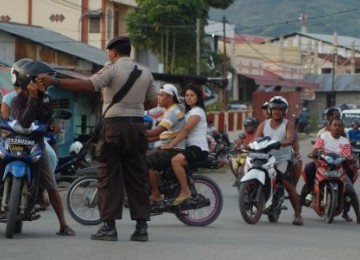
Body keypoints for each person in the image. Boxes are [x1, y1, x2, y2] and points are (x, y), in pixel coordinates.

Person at [37, 36, 158, 242]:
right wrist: (133, 109)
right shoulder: (145, 72)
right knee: (138, 177)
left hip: (114, 128)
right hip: (137, 128)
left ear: (113, 52)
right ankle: (141, 228)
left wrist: (55, 81)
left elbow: (88, 85)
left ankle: (109, 228)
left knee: (109, 177)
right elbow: (153, 101)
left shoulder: (110, 69)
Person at [11, 60, 75, 236]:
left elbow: (44, 120)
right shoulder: (18, 99)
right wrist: (32, 98)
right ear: (28, 80)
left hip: (36, 145)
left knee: (51, 184)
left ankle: (63, 224)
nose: (46, 83)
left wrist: (49, 123)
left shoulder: (46, 99)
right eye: (42, 80)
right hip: (15, 141)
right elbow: (23, 121)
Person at [254, 96, 303, 225]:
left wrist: (282, 142)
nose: (276, 111)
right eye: (274, 109)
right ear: (269, 110)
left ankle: (298, 214)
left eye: (280, 109)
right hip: (264, 158)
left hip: (282, 160)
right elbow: (255, 139)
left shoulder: (288, 124)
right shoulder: (263, 124)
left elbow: (291, 138)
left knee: (287, 184)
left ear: (284, 111)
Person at [304, 118, 360, 223]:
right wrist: (313, 153)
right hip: (322, 165)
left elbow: (348, 154)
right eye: (335, 125)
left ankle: (358, 215)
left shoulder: (344, 141)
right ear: (330, 126)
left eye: (339, 126)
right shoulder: (324, 137)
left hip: (338, 168)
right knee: (308, 168)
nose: (337, 127)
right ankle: (310, 191)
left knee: (351, 190)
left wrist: (350, 158)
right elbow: (316, 148)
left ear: (342, 128)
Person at [161, 84, 209, 205]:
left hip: (198, 148)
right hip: (189, 147)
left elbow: (186, 130)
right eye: (186, 95)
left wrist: (171, 144)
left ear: (198, 97)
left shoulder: (198, 111)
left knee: (176, 161)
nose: (188, 98)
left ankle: (185, 191)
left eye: (192, 95)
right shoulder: (187, 113)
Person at [146, 84, 186, 202]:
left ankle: (155, 193)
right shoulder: (169, 110)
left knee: (145, 160)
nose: (158, 97)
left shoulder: (174, 112)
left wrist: (136, 133)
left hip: (175, 149)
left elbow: (158, 130)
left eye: (161, 95)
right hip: (166, 147)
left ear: (170, 97)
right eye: (158, 95)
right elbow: (162, 135)